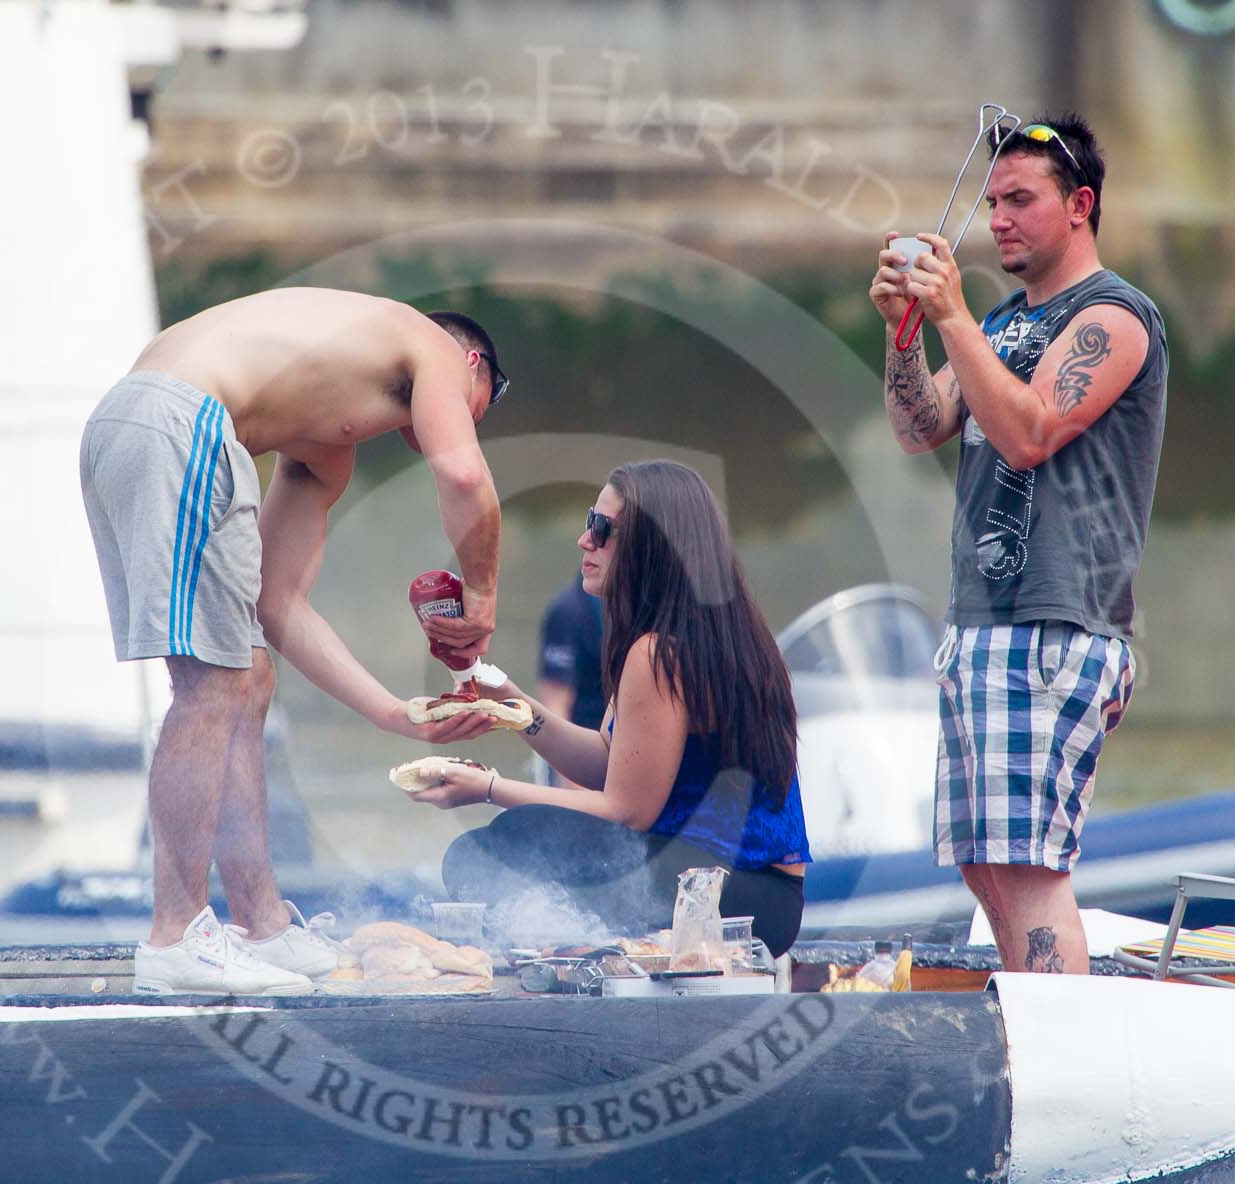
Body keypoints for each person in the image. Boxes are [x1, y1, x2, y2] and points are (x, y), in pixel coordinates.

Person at [80, 287, 507, 994]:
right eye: (490, 393)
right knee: (211, 683)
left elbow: (278, 606)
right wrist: (483, 597)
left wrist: (396, 713)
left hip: (138, 422)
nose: (478, 418)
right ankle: (175, 933)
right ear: (472, 363)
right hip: (179, 417)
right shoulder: (428, 343)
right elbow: (463, 474)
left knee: (248, 669)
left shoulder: (323, 441)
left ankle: (262, 924)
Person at [869, 113, 1168, 974]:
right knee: (985, 862)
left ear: (1080, 205)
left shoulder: (1114, 317)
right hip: (984, 621)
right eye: (992, 200)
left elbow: (1031, 430)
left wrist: (953, 315)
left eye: (1020, 199)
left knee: (1031, 869)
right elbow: (918, 427)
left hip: (1056, 624)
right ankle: (1031, 1026)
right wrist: (903, 331)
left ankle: (1058, 1043)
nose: (998, 217)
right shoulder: (999, 321)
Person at [401, 460, 811, 957]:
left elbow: (626, 811)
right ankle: (569, 945)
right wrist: (511, 704)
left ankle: (565, 951)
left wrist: (488, 788)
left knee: (496, 848)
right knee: (496, 849)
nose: (584, 540)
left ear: (650, 548)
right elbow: (608, 761)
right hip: (753, 890)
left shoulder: (660, 653)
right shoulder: (692, 635)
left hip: (733, 894)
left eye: (601, 528)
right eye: (587, 521)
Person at [535, 569, 606, 786]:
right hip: (578, 748)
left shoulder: (646, 607)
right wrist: (571, 785)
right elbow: (555, 703)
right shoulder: (568, 611)